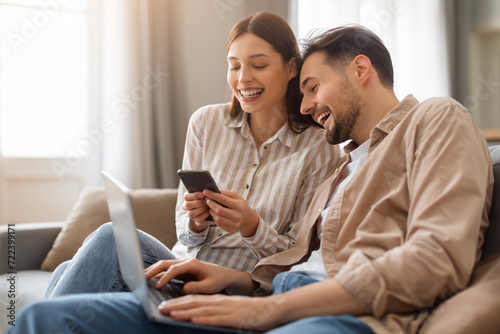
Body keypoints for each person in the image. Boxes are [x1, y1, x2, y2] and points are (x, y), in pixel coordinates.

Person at [9, 24, 493, 334]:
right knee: (40, 318)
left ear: (360, 70)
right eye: (235, 66)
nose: (305, 107)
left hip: (320, 312)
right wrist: (242, 282)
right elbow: (300, 262)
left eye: (311, 86)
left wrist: (265, 306)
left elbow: (433, 259)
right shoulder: (344, 166)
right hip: (268, 295)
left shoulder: (435, 119)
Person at [44, 11, 339, 298]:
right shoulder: (206, 123)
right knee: (67, 268)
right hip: (181, 267)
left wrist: (251, 226)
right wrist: (197, 222)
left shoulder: (318, 147)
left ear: (291, 68)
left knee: (109, 239)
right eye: (234, 66)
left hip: (229, 288)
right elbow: (184, 233)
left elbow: (298, 258)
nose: (243, 79)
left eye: (258, 65)